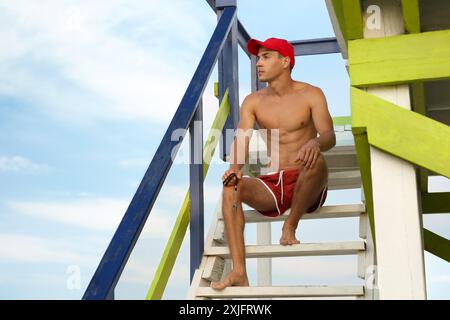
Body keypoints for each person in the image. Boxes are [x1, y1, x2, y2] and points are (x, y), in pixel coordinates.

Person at [211, 37, 336, 290]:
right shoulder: (254, 101)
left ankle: (290, 226)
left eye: (266, 57)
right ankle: (239, 271)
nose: (259, 63)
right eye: (258, 58)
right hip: (275, 183)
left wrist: (316, 143)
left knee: (317, 161)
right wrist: (235, 171)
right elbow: (242, 138)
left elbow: (329, 136)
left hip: (308, 179)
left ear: (286, 61)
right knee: (230, 188)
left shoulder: (312, 94)